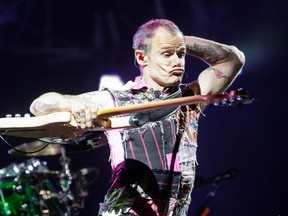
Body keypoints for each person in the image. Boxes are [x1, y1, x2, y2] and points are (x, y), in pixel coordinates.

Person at [29, 19, 245, 216]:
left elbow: (233, 58)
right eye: (167, 54)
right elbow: (39, 104)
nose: (177, 61)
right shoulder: (118, 99)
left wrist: (178, 41)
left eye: (181, 54)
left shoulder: (191, 97)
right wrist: (74, 103)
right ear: (142, 57)